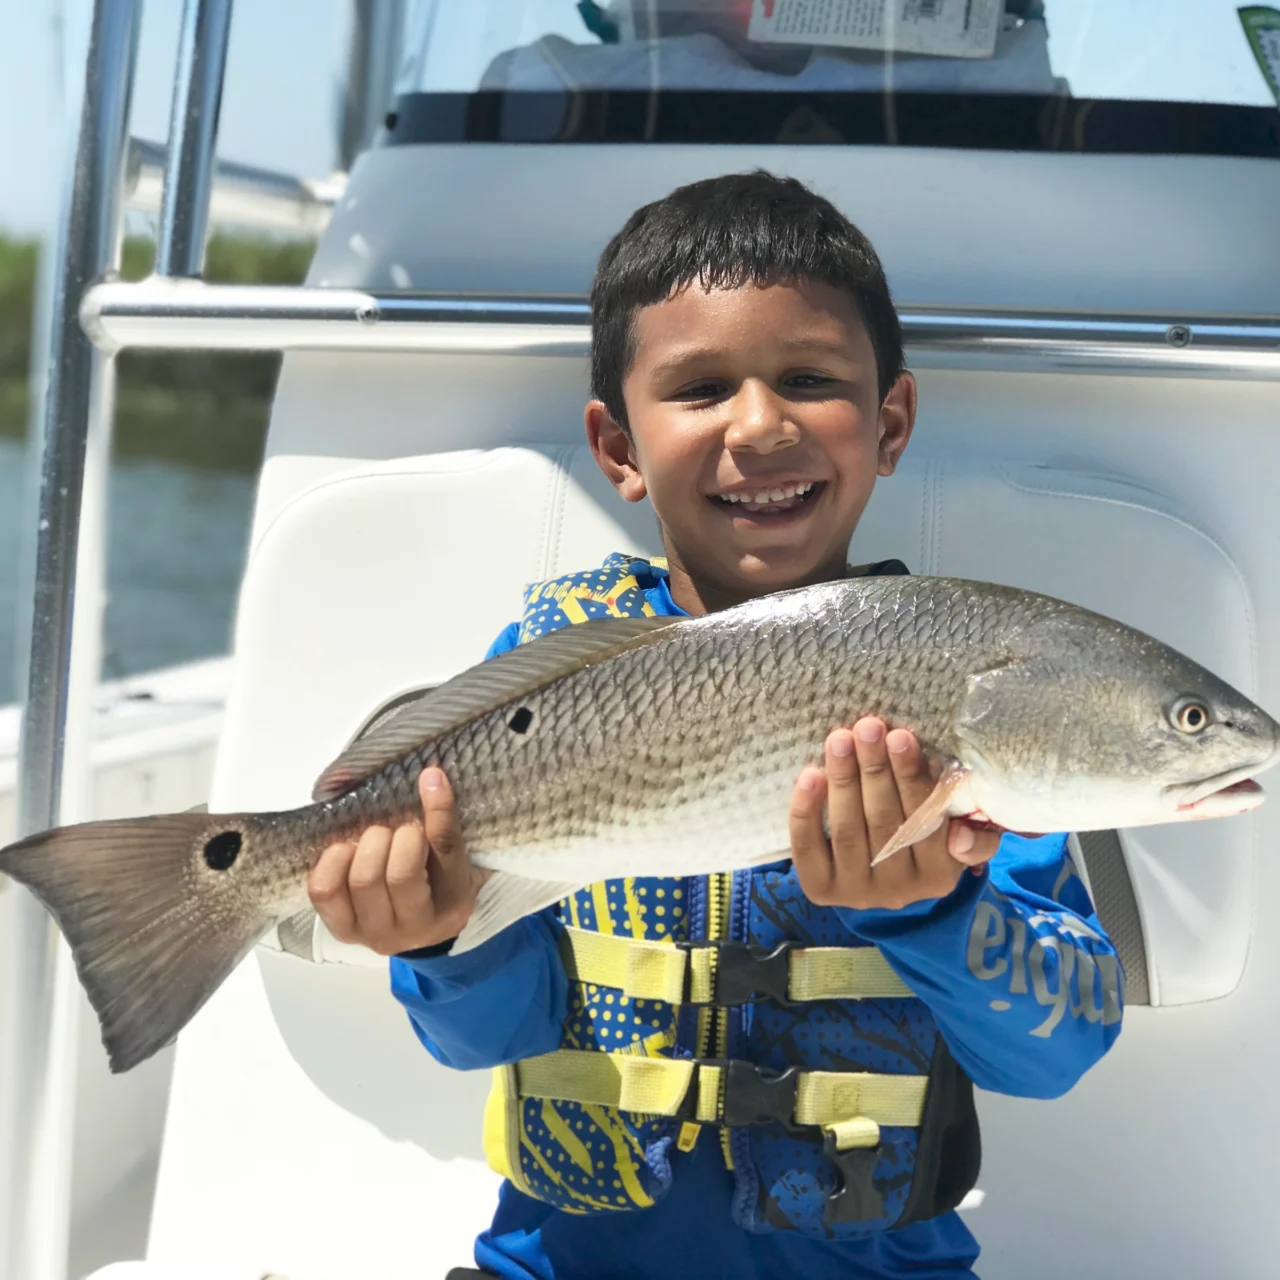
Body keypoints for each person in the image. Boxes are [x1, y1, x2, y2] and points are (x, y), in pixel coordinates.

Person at [306, 171, 1124, 1280]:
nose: (759, 423)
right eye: (698, 388)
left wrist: (935, 909)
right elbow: (481, 1036)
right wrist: (431, 935)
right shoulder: (543, 679)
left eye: (806, 379)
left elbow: (1056, 1045)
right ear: (617, 449)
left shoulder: (950, 686)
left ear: (888, 423)